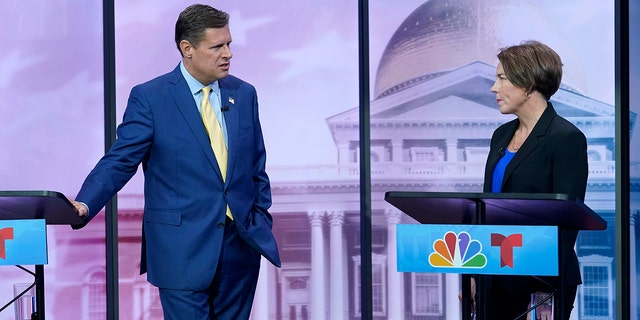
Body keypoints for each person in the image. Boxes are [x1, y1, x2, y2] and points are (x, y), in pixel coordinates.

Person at [70, 4, 280, 319]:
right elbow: (120, 160)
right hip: (181, 250)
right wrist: (85, 204)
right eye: (217, 46)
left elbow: (256, 168)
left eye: (229, 44)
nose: (228, 54)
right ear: (187, 49)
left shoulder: (244, 94)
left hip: (240, 248)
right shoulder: (151, 98)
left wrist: (259, 219)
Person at [481, 40, 588, 319]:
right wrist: (474, 273)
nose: (494, 88)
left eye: (502, 78)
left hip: (541, 282)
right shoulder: (501, 136)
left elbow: (567, 221)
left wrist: (542, 286)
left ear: (527, 84)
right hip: (494, 276)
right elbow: (486, 209)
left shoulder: (566, 138)